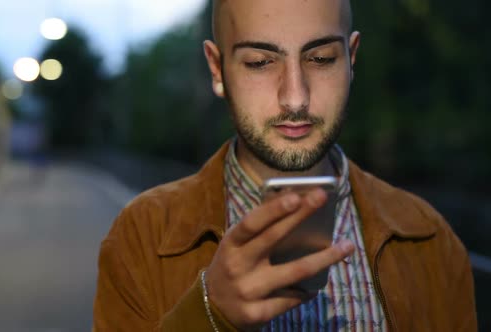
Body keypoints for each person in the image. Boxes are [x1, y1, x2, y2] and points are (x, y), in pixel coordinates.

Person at [93, 0, 477, 330]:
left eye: (322, 59)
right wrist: (210, 314)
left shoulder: (429, 240)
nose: (295, 97)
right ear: (217, 69)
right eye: (260, 62)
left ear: (351, 58)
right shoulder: (140, 237)